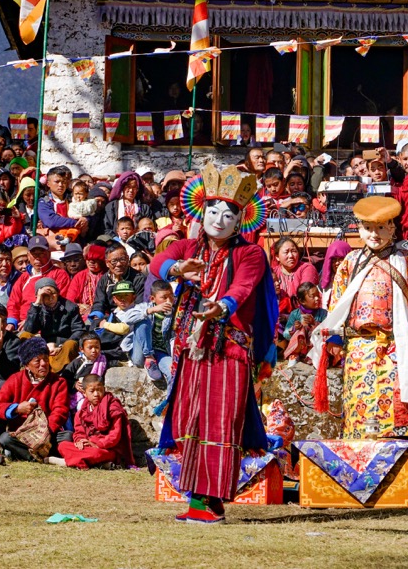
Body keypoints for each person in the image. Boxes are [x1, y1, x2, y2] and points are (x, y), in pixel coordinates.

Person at [148, 163, 278, 523]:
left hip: (229, 347)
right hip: (192, 346)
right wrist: (176, 271)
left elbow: (243, 287)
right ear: (201, 212)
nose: (219, 220)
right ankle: (201, 501)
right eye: (213, 211)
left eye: (229, 214)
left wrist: (221, 307)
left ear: (241, 221)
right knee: (192, 417)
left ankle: (210, 501)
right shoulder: (189, 246)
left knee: (221, 421)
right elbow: (156, 263)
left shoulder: (250, 254)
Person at [311, 196, 408, 439]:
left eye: (381, 227)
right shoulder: (350, 261)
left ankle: (402, 449)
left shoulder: (407, 262)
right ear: (359, 229)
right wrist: (334, 339)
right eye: (368, 228)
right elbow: (337, 302)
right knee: (360, 406)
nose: (374, 234)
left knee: (400, 406)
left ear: (393, 228)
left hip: (396, 346)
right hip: (358, 347)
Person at [0, 336, 71, 462]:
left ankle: (24, 454)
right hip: (23, 434)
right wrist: (16, 409)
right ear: (27, 365)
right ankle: (39, 457)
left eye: (45, 359)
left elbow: (60, 410)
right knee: (5, 438)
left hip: (47, 433)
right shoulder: (15, 379)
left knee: (68, 436)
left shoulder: (59, 382)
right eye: (37, 361)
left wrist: (45, 430)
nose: (43, 364)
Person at [55, 374, 133, 470]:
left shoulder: (113, 408)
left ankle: (69, 461)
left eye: (99, 390)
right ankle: (90, 462)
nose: (96, 394)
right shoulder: (82, 412)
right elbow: (79, 432)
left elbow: (115, 436)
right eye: (92, 391)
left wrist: (96, 444)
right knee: (63, 445)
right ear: (84, 393)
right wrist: (80, 441)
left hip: (106, 449)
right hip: (88, 448)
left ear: (104, 389)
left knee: (96, 454)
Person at [7, 236, 72, 328]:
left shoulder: (59, 274)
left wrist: (32, 320)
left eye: (42, 253)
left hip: (47, 325)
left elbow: (59, 304)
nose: (37, 258)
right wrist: (11, 322)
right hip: (20, 325)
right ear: (29, 255)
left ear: (49, 254)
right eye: (34, 254)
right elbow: (13, 303)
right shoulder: (24, 277)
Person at [22, 277, 85, 371]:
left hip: (63, 345)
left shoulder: (70, 307)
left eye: (53, 293)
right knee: (25, 335)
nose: (50, 298)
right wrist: (37, 303)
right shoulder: (38, 308)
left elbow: (79, 330)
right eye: (45, 295)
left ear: (58, 293)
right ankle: (30, 367)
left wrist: (60, 346)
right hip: (44, 344)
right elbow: (29, 329)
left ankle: (56, 372)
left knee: (71, 344)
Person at [129, 280, 175, 383]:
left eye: (171, 296)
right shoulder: (145, 307)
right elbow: (127, 318)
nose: (169, 301)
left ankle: (170, 398)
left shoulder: (175, 312)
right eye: (164, 297)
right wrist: (151, 310)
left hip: (161, 352)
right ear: (153, 299)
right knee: (143, 321)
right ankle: (149, 358)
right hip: (141, 352)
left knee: (172, 371)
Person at [271, 237, 319, 320]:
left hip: (304, 317)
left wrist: (289, 317)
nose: (291, 255)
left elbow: (307, 299)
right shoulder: (273, 273)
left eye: (294, 251)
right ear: (277, 257)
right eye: (286, 252)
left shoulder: (307, 269)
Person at [281, 282, 326, 366]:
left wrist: (314, 323)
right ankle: (295, 355)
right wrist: (294, 328)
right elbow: (285, 334)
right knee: (300, 331)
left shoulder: (323, 313)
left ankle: (312, 356)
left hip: (315, 347)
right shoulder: (295, 314)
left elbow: (327, 331)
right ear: (302, 301)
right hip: (299, 348)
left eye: (318, 295)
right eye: (313, 296)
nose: (317, 298)